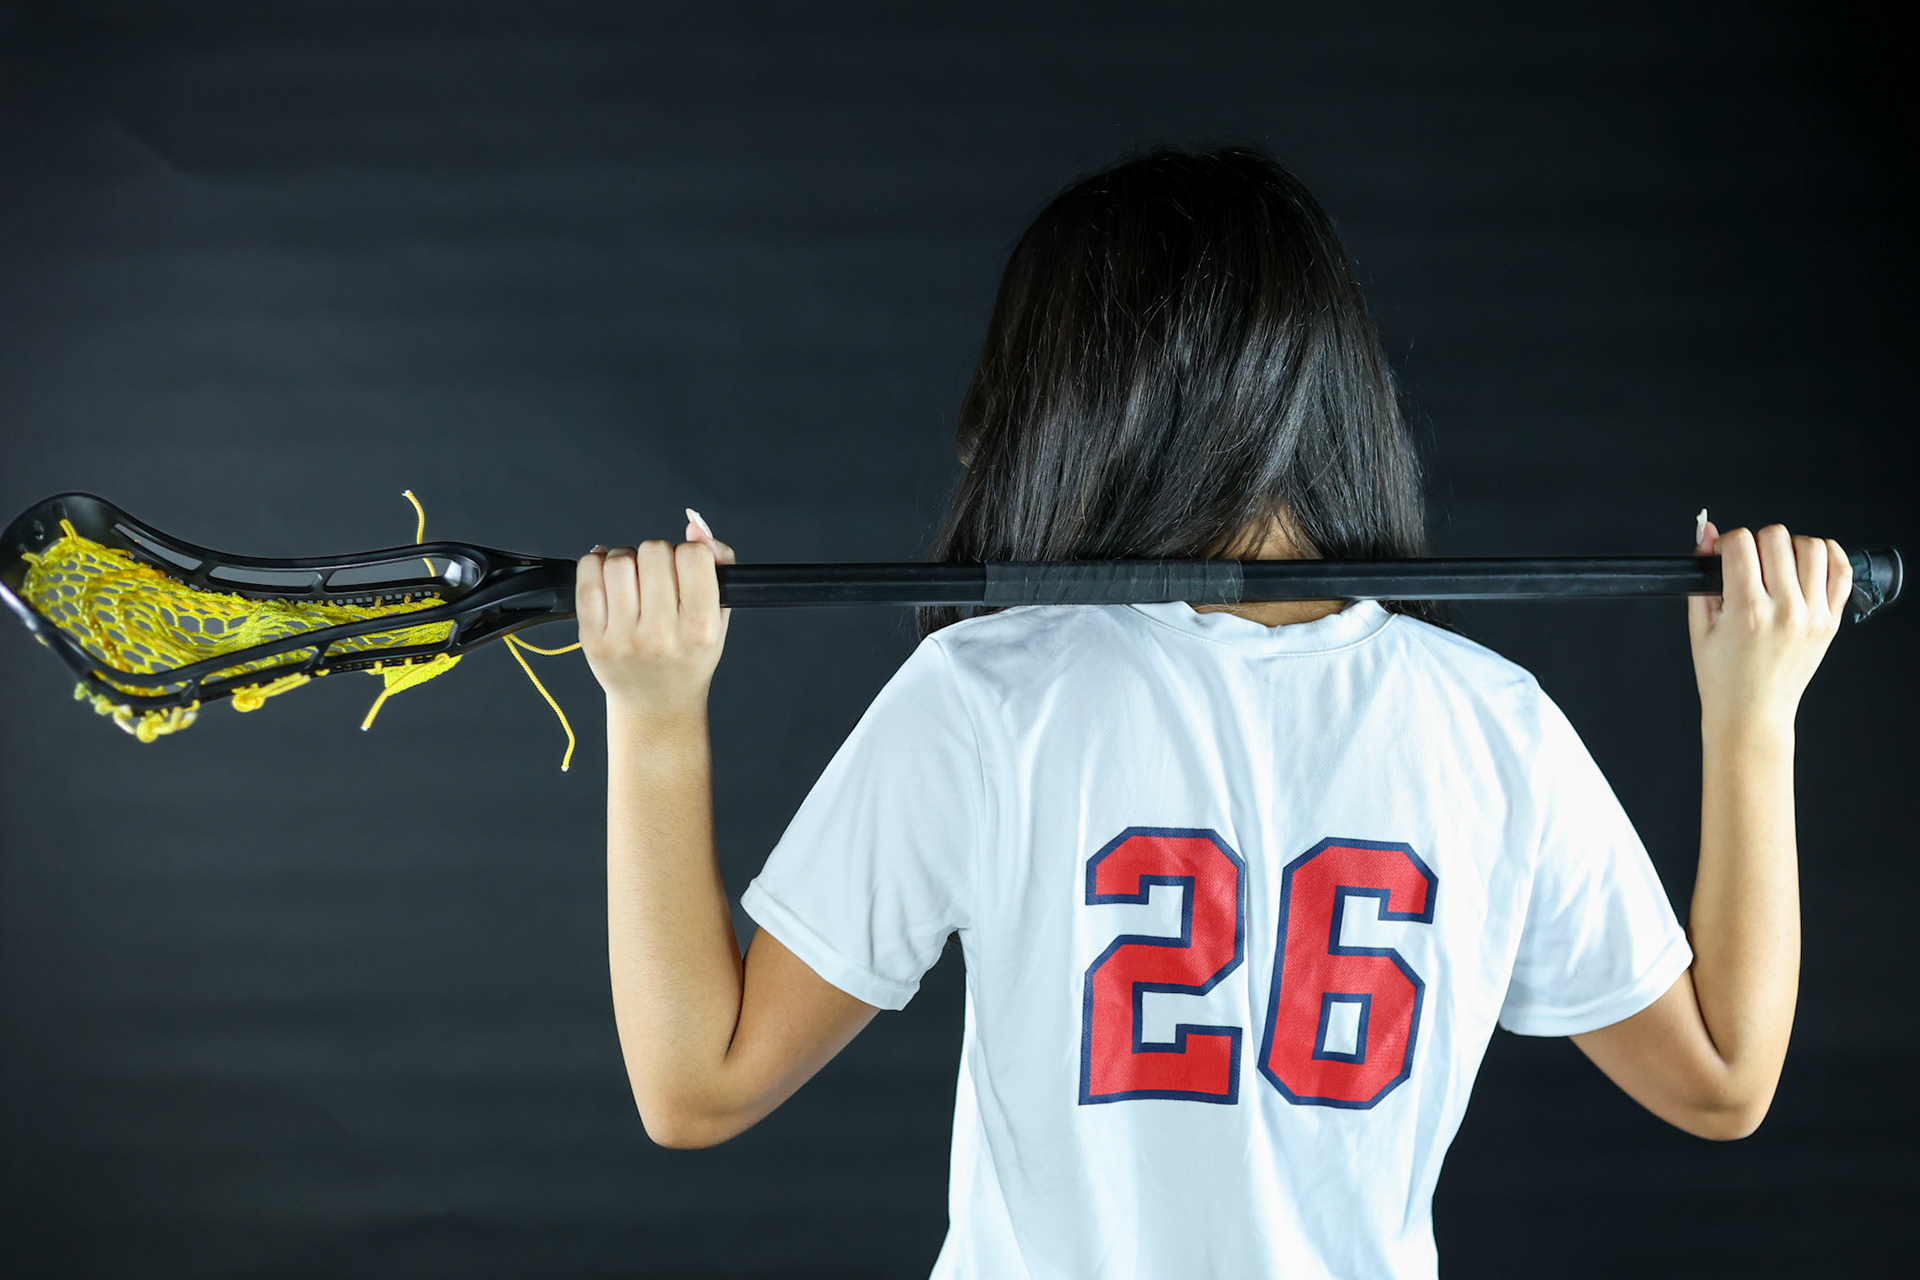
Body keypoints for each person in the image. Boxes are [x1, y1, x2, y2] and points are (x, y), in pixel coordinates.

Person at [572, 148, 1851, 1279]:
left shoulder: (991, 690)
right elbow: (1724, 1079)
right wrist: (1756, 710)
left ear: (1078, 401)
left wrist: (655, 711)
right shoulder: (1492, 723)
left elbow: (697, 1085)